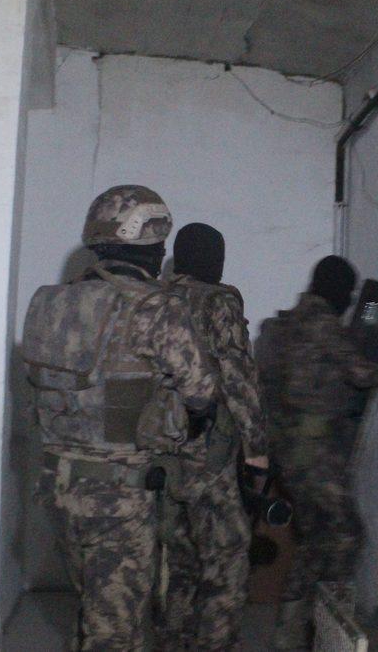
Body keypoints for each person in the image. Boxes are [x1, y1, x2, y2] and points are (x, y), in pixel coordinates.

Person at [21, 185, 217, 651]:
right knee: (116, 632)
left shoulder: (50, 302)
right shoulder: (155, 307)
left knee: (92, 610)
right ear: (152, 247)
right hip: (120, 495)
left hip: (58, 485)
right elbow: (202, 393)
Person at [256, 255, 378, 649]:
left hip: (287, 452)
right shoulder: (321, 323)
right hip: (315, 452)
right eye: (349, 294)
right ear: (336, 289)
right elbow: (361, 372)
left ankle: (289, 633)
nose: (350, 303)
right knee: (346, 535)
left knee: (313, 539)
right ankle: (333, 628)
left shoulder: (282, 325)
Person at [157, 223, 269, 651]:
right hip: (209, 452)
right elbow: (238, 378)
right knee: (226, 559)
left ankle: (173, 641)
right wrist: (257, 448)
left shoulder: (156, 298)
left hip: (161, 450)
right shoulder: (218, 301)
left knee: (180, 560)